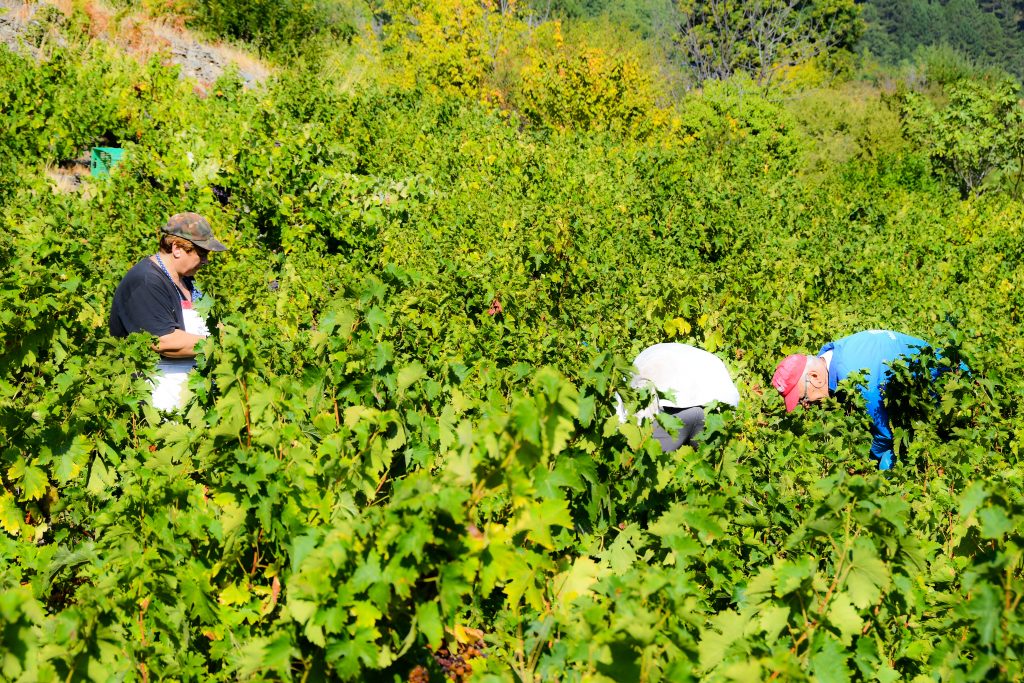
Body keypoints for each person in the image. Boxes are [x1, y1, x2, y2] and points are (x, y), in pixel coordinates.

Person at [772, 329, 939, 471]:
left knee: (886, 464)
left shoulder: (857, 380)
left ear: (814, 377)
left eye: (803, 398)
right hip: (912, 381)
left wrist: (862, 464)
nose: (806, 405)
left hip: (940, 384)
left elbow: (885, 434)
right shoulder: (825, 358)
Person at [109, 212, 227, 411]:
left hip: (185, 395)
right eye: (202, 253)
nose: (206, 261)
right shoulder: (147, 281)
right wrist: (218, 343)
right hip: (157, 400)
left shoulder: (184, 280)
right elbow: (163, 341)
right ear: (177, 248)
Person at [617, 343, 741, 451]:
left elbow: (628, 415)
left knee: (649, 458)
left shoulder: (645, 365)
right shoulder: (710, 363)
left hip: (675, 414)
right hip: (705, 412)